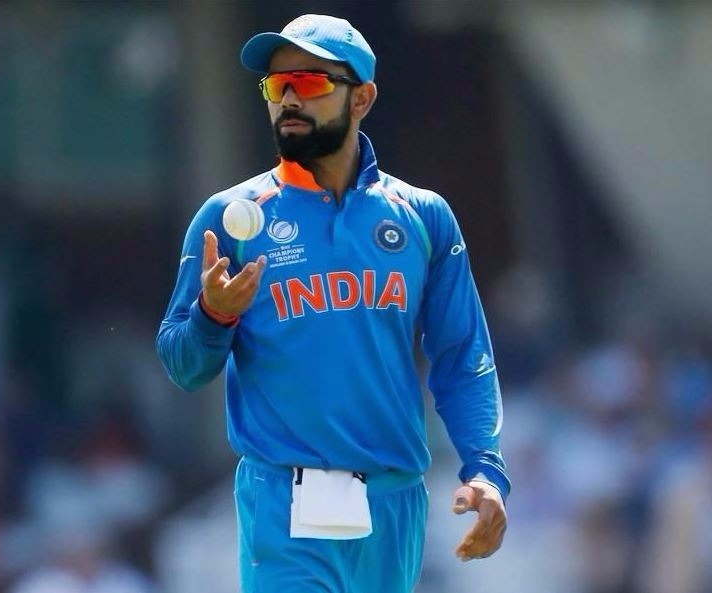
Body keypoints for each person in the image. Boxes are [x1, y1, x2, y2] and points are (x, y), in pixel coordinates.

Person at [156, 14, 509, 592]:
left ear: (362, 98)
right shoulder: (230, 218)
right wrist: (213, 314)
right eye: (277, 86)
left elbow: (462, 355)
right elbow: (183, 365)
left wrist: (485, 468)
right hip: (284, 502)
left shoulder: (422, 217)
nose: (289, 99)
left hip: (395, 502)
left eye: (310, 83)